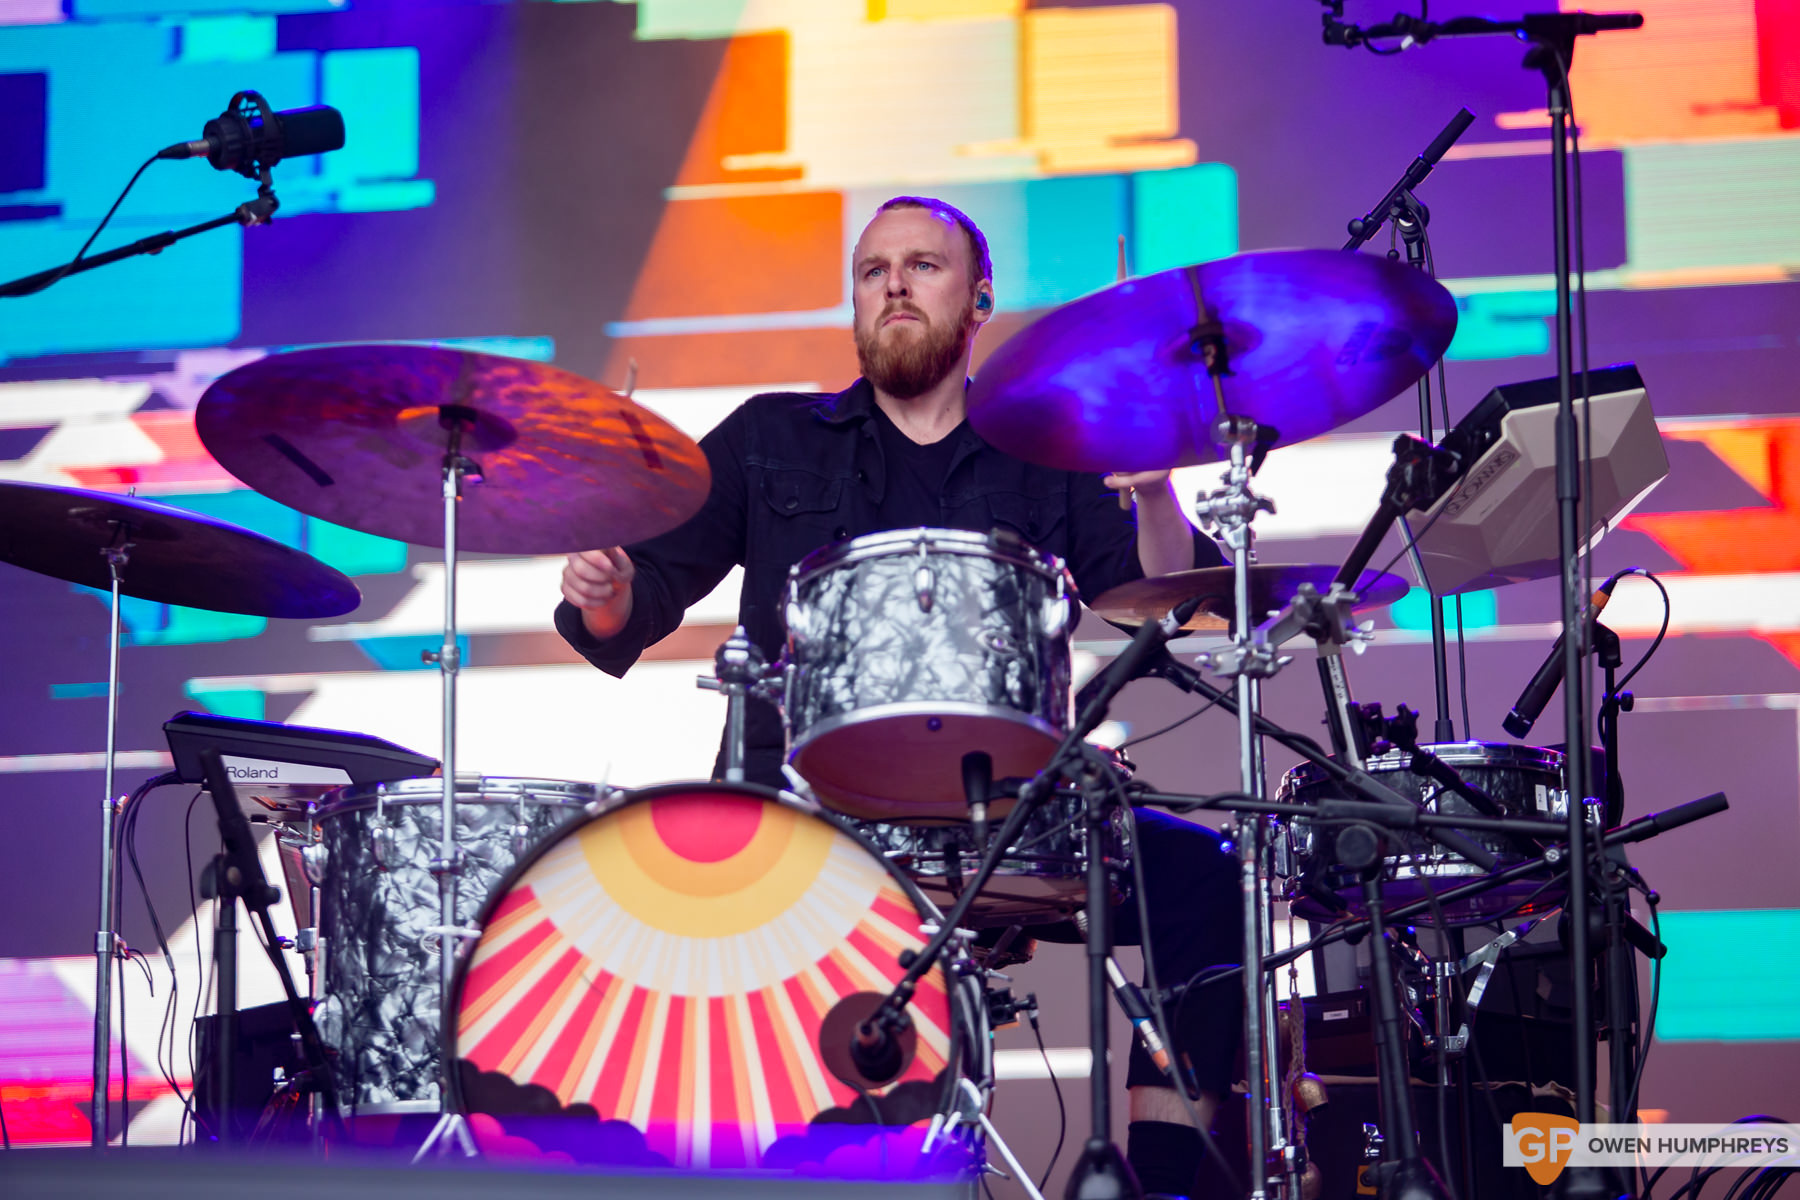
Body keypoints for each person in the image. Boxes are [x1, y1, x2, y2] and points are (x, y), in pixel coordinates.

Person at [555, 196, 1241, 1198]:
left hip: (1007, 820)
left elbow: (1166, 600)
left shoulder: (1048, 446)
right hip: (804, 821)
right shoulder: (767, 440)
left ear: (979, 302)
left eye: (922, 266)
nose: (894, 287)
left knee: (1201, 877)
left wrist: (1152, 488)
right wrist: (609, 595)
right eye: (872, 272)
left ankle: (1168, 1179)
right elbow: (637, 603)